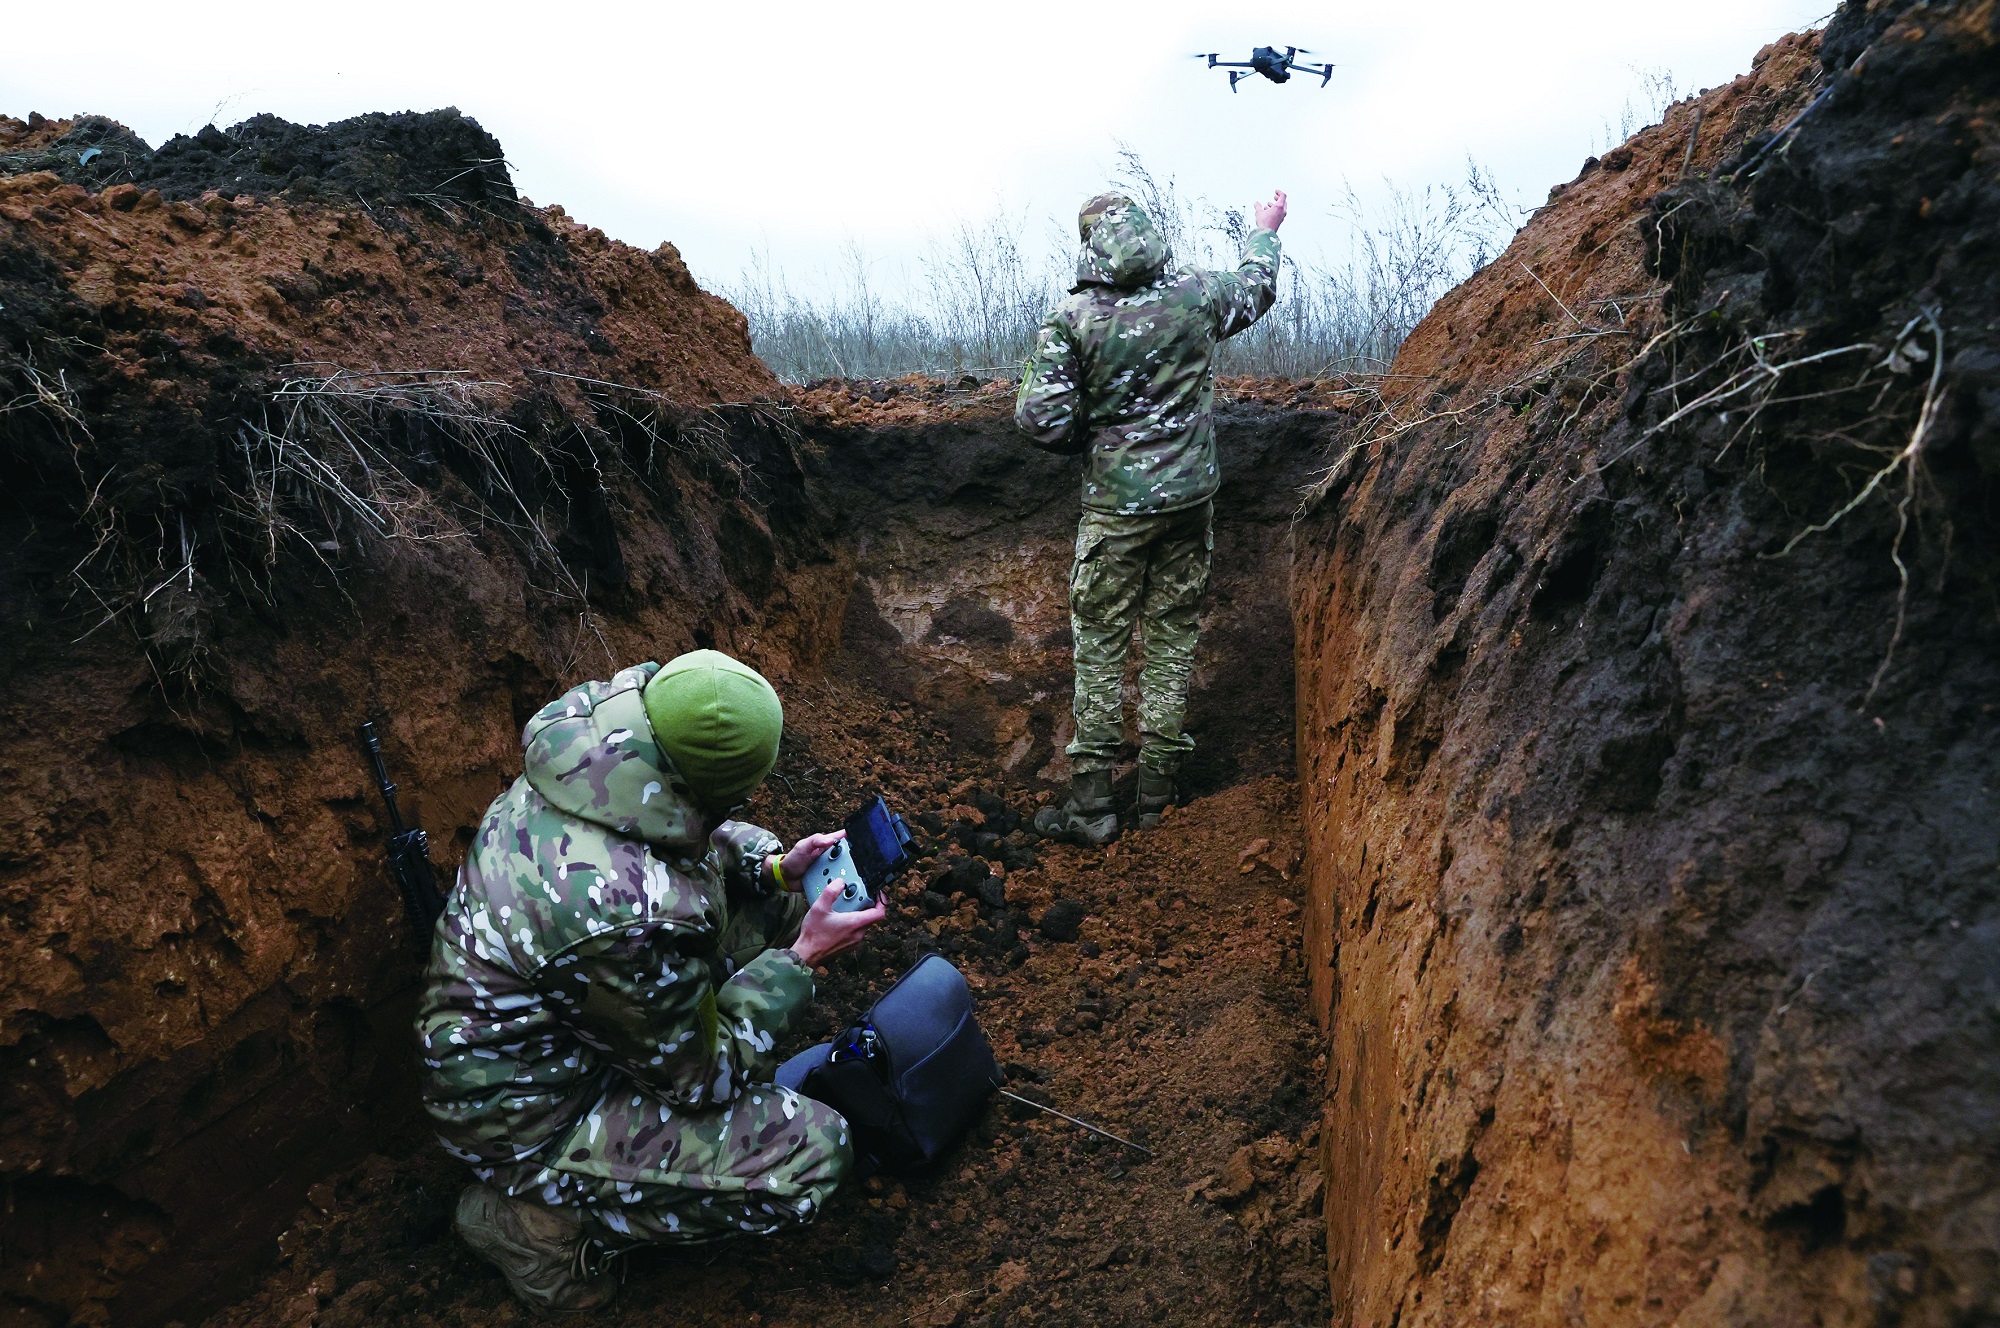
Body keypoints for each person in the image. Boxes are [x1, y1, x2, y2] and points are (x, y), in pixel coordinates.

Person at [416, 650, 884, 1312]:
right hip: (525, 1116)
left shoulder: (598, 744)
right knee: (808, 1158)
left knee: (782, 900)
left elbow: (682, 841)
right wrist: (799, 962)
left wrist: (776, 868)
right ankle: (534, 1226)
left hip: (548, 1026)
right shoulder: (622, 911)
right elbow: (702, 1079)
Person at [1017, 188, 1287, 845]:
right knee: (1171, 642)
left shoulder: (1075, 318)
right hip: (1191, 503)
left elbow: (1039, 417)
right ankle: (1157, 799)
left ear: (1092, 247)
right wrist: (1265, 230)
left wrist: (1104, 435)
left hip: (1116, 512)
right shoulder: (1196, 294)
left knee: (1102, 650)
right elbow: (1256, 287)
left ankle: (1091, 812)